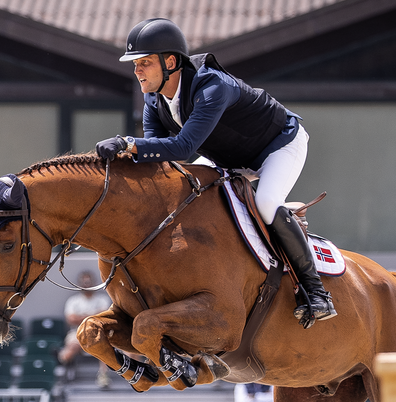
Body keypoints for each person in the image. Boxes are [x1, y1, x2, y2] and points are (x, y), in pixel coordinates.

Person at [95, 17, 335, 328]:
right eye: (135, 64)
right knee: (190, 196)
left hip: (277, 145)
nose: (137, 71)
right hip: (227, 158)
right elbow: (155, 155)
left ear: (170, 62)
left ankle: (315, 292)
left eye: (144, 63)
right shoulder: (154, 98)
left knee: (266, 203)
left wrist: (128, 143)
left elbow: (181, 148)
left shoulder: (213, 86)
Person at [57, 272, 112, 388]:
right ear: (80, 284)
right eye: (84, 282)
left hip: (99, 332)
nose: (87, 285)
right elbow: (71, 319)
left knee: (104, 346)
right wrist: (93, 316)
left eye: (89, 282)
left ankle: (103, 376)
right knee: (72, 346)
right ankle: (60, 362)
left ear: (94, 283)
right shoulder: (73, 301)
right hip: (77, 332)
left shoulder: (103, 299)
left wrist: (82, 317)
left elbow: (105, 318)